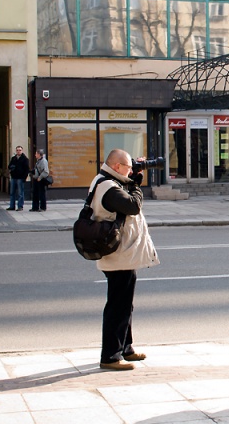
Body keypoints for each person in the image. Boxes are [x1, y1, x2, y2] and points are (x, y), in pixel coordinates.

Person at [91, 149, 160, 371]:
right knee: (118, 306)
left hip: (122, 255)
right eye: (129, 167)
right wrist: (137, 185)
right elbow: (132, 206)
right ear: (117, 166)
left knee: (124, 304)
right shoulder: (108, 187)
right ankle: (110, 355)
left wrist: (131, 181)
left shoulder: (109, 181)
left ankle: (125, 347)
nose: (132, 170)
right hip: (118, 255)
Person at [6, 146, 30, 211]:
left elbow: (27, 169)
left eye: (20, 150)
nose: (18, 151)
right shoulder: (13, 158)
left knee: (20, 193)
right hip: (13, 177)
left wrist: (24, 178)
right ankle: (12, 206)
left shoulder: (25, 159)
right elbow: (9, 166)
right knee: (12, 193)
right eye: (17, 150)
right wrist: (11, 168)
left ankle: (20, 206)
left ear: (22, 151)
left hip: (20, 178)